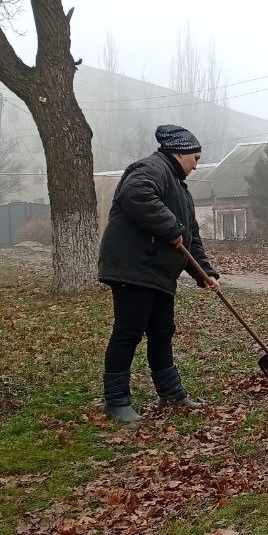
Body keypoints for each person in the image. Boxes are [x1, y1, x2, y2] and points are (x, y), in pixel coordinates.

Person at [97, 124, 220, 423]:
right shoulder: (151, 168)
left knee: (162, 332)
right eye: (196, 158)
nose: (197, 165)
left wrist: (204, 273)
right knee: (128, 333)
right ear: (180, 152)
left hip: (158, 273)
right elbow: (135, 194)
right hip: (134, 268)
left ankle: (172, 393)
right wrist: (171, 228)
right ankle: (116, 401)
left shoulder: (179, 188)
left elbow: (190, 237)